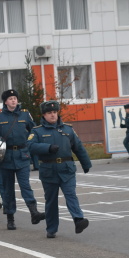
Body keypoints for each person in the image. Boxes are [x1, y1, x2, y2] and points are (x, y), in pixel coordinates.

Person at [0, 89, 44, 230]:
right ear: (5, 102)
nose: (13, 100)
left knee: (25, 185)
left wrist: (39, 149)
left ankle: (34, 212)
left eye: (15, 98)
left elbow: (35, 131)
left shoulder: (25, 115)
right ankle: (10, 218)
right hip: (5, 157)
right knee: (8, 190)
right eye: (10, 99)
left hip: (22, 155)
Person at [28, 100, 92, 238]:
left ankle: (78, 220)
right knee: (51, 201)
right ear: (44, 115)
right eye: (49, 113)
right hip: (48, 170)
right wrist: (48, 148)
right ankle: (51, 229)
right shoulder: (37, 131)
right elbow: (30, 147)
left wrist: (86, 163)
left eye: (54, 112)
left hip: (66, 169)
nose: (52, 115)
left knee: (71, 195)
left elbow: (78, 147)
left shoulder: (68, 129)